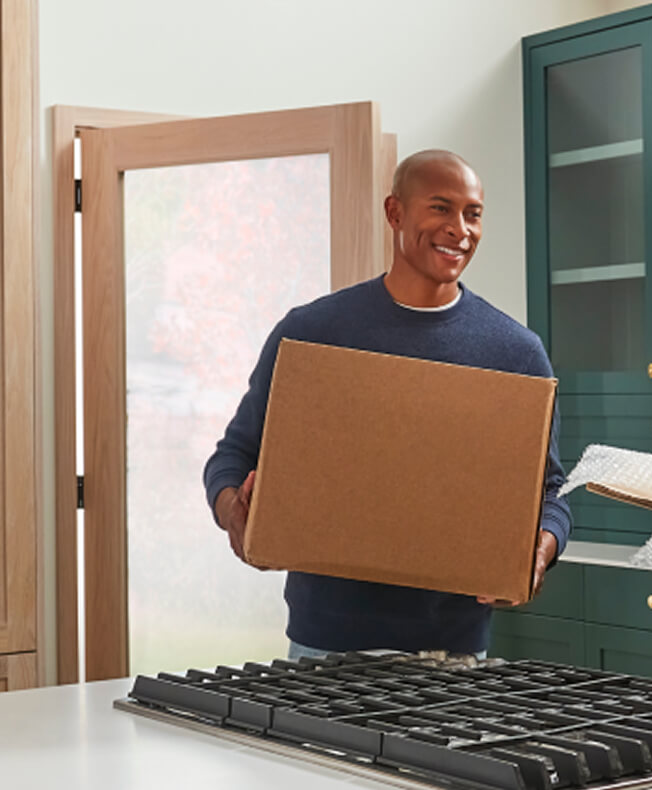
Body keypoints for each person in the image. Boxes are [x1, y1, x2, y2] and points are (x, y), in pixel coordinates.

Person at [204, 149, 570, 658]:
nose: (459, 229)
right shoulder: (312, 333)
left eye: (473, 213)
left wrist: (538, 552)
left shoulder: (515, 352)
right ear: (395, 213)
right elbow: (232, 457)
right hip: (321, 650)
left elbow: (550, 491)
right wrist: (236, 516)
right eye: (440, 208)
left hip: (454, 656)